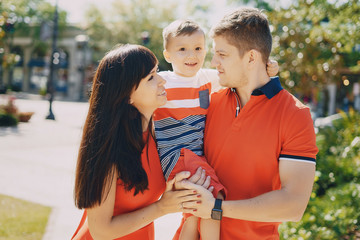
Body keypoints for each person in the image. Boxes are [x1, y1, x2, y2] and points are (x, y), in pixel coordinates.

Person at [177, 7, 319, 240]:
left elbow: (293, 205)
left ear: (252, 57)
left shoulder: (294, 115)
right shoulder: (209, 101)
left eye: (222, 54)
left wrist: (216, 209)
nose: (214, 62)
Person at [154, 19, 279, 240]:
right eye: (182, 49)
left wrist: (268, 68)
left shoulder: (208, 78)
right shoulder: (163, 81)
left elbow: (242, 75)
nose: (191, 55)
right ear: (168, 55)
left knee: (193, 211)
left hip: (192, 157)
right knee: (213, 197)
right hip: (177, 154)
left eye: (198, 48)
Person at [71, 44, 201, 240]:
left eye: (157, 72)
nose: (162, 80)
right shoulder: (108, 148)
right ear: (127, 95)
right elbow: (100, 231)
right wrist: (162, 207)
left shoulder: (156, 134)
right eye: (150, 77)